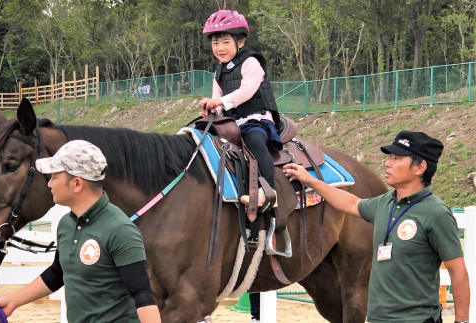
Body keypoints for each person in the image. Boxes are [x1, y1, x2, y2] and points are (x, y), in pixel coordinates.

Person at [283, 130, 470, 323]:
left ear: (420, 167)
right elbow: (350, 203)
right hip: (378, 319)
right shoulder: (384, 204)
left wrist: (462, 321)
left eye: (397, 158)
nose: (388, 163)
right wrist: (311, 181)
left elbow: (458, 271)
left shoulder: (436, 213)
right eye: (389, 157)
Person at [0, 140, 161, 323]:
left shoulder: (121, 231)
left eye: (54, 177)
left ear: (77, 184)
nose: (49, 184)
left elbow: (142, 294)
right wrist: (13, 301)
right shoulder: (66, 224)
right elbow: (57, 274)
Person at [198, 9, 283, 213]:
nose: (220, 48)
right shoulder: (218, 71)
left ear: (241, 42)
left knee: (255, 142)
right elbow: (218, 102)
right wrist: (211, 111)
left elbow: (247, 91)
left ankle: (268, 191)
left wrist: (218, 101)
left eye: (226, 42)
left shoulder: (251, 62)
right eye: (215, 43)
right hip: (234, 124)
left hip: (257, 120)